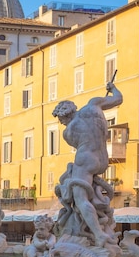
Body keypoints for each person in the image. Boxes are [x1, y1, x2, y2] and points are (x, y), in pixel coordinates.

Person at [52, 81, 122, 247]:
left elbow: (78, 145)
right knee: (84, 191)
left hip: (85, 159)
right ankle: (95, 224)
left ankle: (98, 235)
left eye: (60, 119)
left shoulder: (68, 132)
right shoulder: (94, 105)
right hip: (103, 159)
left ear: (64, 115)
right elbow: (118, 99)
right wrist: (112, 89)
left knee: (80, 198)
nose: (61, 122)